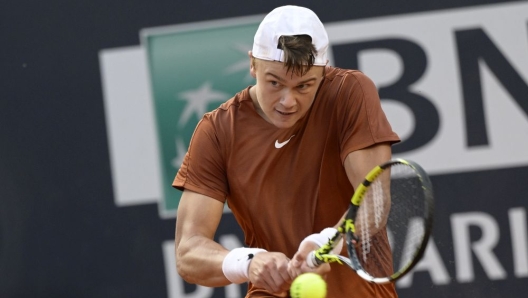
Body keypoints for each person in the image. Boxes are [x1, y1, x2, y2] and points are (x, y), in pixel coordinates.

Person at [173, 5, 400, 298]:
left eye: (304, 85)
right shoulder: (217, 131)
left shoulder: (349, 93)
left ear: (324, 70)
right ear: (252, 63)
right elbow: (188, 252)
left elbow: (375, 200)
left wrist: (327, 242)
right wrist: (249, 263)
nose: (288, 101)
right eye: (274, 83)